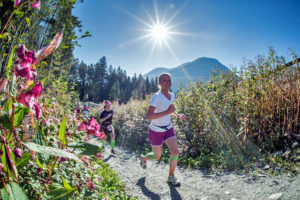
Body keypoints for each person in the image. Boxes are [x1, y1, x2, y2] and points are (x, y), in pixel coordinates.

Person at [139, 73, 185, 186]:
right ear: (159, 83)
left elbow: (170, 109)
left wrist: (178, 115)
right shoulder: (157, 96)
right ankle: (144, 158)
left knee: (175, 152)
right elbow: (149, 116)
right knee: (157, 156)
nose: (167, 83)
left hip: (168, 128)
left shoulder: (172, 95)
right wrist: (167, 112)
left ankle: (171, 176)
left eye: (169, 80)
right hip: (155, 131)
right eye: (164, 80)